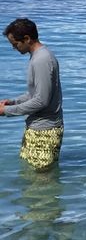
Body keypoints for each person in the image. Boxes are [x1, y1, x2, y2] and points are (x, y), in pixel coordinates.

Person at [1, 18, 64, 171]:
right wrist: (13, 102)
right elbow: (35, 94)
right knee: (31, 176)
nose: (14, 48)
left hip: (45, 131)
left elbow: (41, 101)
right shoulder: (38, 57)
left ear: (27, 39)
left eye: (15, 44)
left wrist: (6, 111)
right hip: (37, 127)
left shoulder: (41, 60)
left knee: (42, 181)